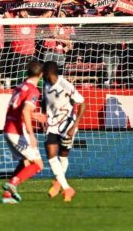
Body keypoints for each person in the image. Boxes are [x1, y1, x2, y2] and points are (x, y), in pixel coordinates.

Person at [1, 60, 45, 204]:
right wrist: (31, 135)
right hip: (18, 131)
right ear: (41, 75)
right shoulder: (34, 90)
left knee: (25, 162)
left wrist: (35, 115)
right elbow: (25, 111)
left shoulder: (19, 87)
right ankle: (13, 183)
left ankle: (8, 195)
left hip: (7, 128)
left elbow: (19, 109)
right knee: (38, 165)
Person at [41, 61, 85, 202]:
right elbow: (45, 102)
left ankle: (59, 183)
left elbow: (82, 103)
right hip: (52, 125)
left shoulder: (65, 85)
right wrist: (44, 118)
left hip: (67, 126)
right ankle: (67, 188)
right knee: (50, 153)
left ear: (49, 73)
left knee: (63, 156)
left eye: (44, 72)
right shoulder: (45, 85)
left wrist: (74, 126)